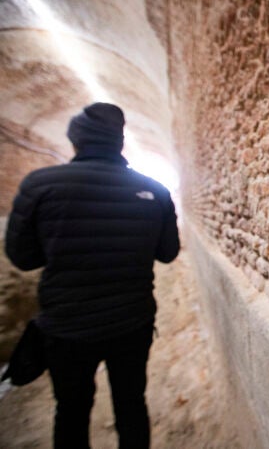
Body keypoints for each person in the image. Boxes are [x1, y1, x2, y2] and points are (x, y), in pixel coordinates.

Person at [5, 102, 180, 449]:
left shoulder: (39, 185)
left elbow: (22, 258)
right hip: (132, 322)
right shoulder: (154, 191)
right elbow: (168, 253)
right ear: (119, 142)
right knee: (131, 404)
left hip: (67, 327)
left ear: (76, 141)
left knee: (71, 410)